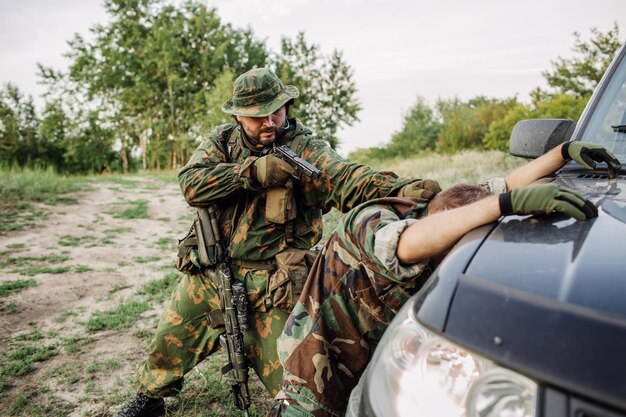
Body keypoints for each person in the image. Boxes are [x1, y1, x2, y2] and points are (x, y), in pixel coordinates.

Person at [113, 67, 443, 417]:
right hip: (210, 275)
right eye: (258, 116)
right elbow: (191, 185)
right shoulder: (222, 142)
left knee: (298, 383)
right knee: (168, 343)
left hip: (274, 287)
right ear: (239, 116)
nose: (270, 121)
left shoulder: (304, 149)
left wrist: (400, 191)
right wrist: (250, 173)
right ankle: (149, 399)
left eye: (278, 110)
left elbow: (345, 178)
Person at [270, 140, 620, 417]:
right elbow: (406, 245)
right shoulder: (372, 222)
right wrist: (505, 206)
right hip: (313, 375)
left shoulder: (446, 204)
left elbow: (499, 187)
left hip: (365, 366)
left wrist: (562, 153)